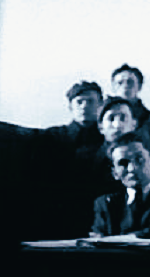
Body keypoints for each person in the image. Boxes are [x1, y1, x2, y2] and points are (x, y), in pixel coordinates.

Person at [38, 81, 106, 237]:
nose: (84, 106)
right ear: (70, 106)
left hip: (97, 212)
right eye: (79, 102)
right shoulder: (53, 136)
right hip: (57, 211)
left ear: (100, 105)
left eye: (90, 101)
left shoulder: (107, 140)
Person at [110, 64, 150, 135]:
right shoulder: (104, 118)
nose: (125, 86)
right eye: (120, 83)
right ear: (113, 87)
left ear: (139, 86)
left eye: (130, 82)